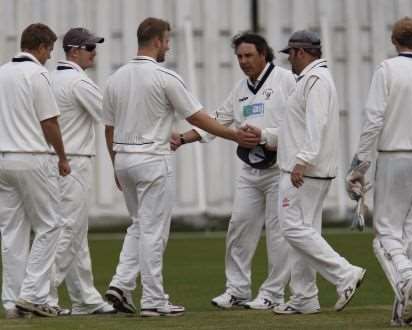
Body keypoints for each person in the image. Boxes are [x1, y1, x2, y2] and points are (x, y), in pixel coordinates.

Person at [102, 17, 251, 317]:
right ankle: (154, 300)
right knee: (154, 232)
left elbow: (109, 127)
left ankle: (120, 285)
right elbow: (197, 117)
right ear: (157, 41)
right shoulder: (165, 76)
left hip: (124, 160)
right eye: (167, 40)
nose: (168, 46)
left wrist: (115, 163)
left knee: (140, 226)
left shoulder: (115, 78)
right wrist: (234, 135)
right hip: (153, 160)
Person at [172, 32, 295, 310]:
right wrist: (182, 138)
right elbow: (216, 120)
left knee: (278, 234)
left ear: (264, 54)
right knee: (239, 227)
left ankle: (273, 294)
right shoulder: (241, 88)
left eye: (249, 55)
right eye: (239, 56)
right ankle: (237, 290)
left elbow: (300, 124)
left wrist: (265, 135)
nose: (243, 61)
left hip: (280, 168)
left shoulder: (286, 81)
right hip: (250, 170)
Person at [346, 18, 412, 326]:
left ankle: (406, 278)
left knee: (386, 235)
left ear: (394, 41)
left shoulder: (387, 69)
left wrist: (359, 167)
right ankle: (408, 313)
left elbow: (373, 120)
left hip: (395, 157)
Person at [273, 30, 366, 315]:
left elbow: (317, 124)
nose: (289, 60)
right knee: (304, 232)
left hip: (304, 171)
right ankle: (304, 297)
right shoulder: (313, 79)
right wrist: (267, 136)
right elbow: (298, 127)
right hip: (310, 169)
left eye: (291, 54)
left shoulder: (315, 79)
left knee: (291, 228)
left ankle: (345, 274)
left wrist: (302, 160)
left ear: (301, 52)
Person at [0, 23, 71, 318]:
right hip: (32, 156)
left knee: (12, 231)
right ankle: (32, 294)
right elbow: (49, 122)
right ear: (40, 47)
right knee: (51, 224)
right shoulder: (37, 74)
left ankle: (12, 302)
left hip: (4, 159)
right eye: (49, 50)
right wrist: (62, 157)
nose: (49, 57)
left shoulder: (2, 72)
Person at [46, 27, 115, 315]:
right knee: (70, 229)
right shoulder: (78, 82)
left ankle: (84, 297)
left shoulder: (50, 79)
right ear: (74, 51)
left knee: (75, 231)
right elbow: (109, 116)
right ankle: (41, 294)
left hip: (54, 161)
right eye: (90, 48)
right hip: (73, 162)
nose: (94, 53)